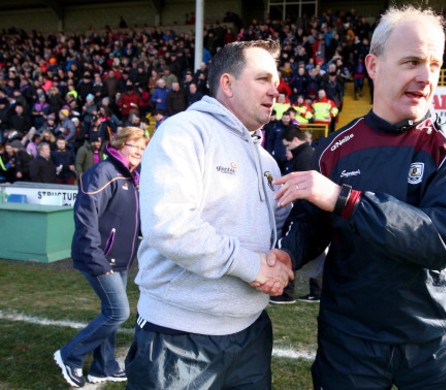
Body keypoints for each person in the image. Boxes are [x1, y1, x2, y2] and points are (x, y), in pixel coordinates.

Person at [258, 6, 446, 389]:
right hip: (350, 343)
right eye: (412, 62)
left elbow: (441, 239)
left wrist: (344, 198)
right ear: (373, 65)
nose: (425, 77)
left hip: (437, 343)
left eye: (434, 65)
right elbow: (311, 224)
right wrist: (288, 254)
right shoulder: (333, 149)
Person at [124, 39, 293, 389]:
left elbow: (276, 233)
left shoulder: (267, 161)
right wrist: (253, 266)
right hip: (179, 337)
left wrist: (282, 255)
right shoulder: (183, 132)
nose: (275, 90)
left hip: (251, 332)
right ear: (227, 84)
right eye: (263, 79)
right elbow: (171, 227)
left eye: (276, 81)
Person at [53, 126, 148, 388]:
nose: (139, 151)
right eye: (133, 146)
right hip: (99, 258)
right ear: (118, 145)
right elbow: (86, 221)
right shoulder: (103, 173)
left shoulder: (133, 176)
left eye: (142, 147)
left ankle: (103, 366)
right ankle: (70, 356)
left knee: (110, 311)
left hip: (118, 259)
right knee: (118, 312)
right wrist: (97, 260)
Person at [270, 126, 322, 304]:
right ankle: (315, 292)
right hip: (310, 211)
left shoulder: (304, 158)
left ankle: (287, 293)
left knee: (291, 247)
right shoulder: (310, 154)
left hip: (305, 212)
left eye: (288, 146)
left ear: (296, 140)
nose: (287, 151)